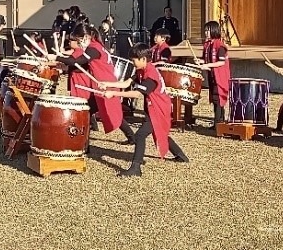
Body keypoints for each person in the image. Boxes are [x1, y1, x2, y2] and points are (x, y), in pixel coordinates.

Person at [99, 43, 189, 177]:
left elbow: (136, 94)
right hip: (152, 106)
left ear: (143, 59)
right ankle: (181, 156)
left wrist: (114, 94)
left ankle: (136, 168)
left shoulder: (151, 75)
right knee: (159, 131)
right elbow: (126, 83)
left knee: (140, 135)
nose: (132, 62)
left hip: (159, 109)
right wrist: (107, 84)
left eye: (134, 60)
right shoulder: (141, 70)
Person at [46, 24, 135, 144]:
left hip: (106, 84)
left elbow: (77, 61)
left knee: (111, 113)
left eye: (78, 39)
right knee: (88, 111)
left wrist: (57, 57)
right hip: (103, 83)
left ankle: (131, 138)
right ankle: (84, 143)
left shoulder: (93, 48)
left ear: (86, 37)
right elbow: (80, 65)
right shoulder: (96, 46)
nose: (78, 43)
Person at [198, 21, 231, 129]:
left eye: (208, 30)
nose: (206, 33)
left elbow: (221, 62)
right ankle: (220, 120)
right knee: (214, 97)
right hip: (212, 75)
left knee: (218, 97)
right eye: (205, 30)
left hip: (220, 76)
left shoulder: (220, 45)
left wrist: (207, 64)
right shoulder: (207, 45)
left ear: (214, 30)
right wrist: (200, 61)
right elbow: (205, 59)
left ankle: (218, 123)